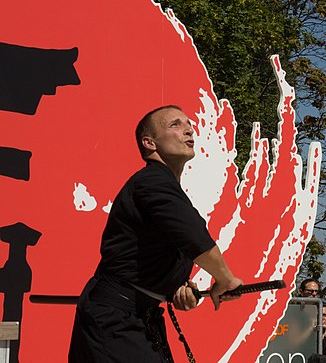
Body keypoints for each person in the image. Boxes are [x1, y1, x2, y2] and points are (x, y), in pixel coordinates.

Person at [68, 105, 242, 362]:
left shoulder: (163, 186)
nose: (188, 129)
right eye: (175, 125)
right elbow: (193, 236)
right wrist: (225, 279)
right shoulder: (151, 182)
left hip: (135, 316)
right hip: (115, 318)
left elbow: (154, 252)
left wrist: (177, 289)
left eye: (188, 124)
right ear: (149, 143)